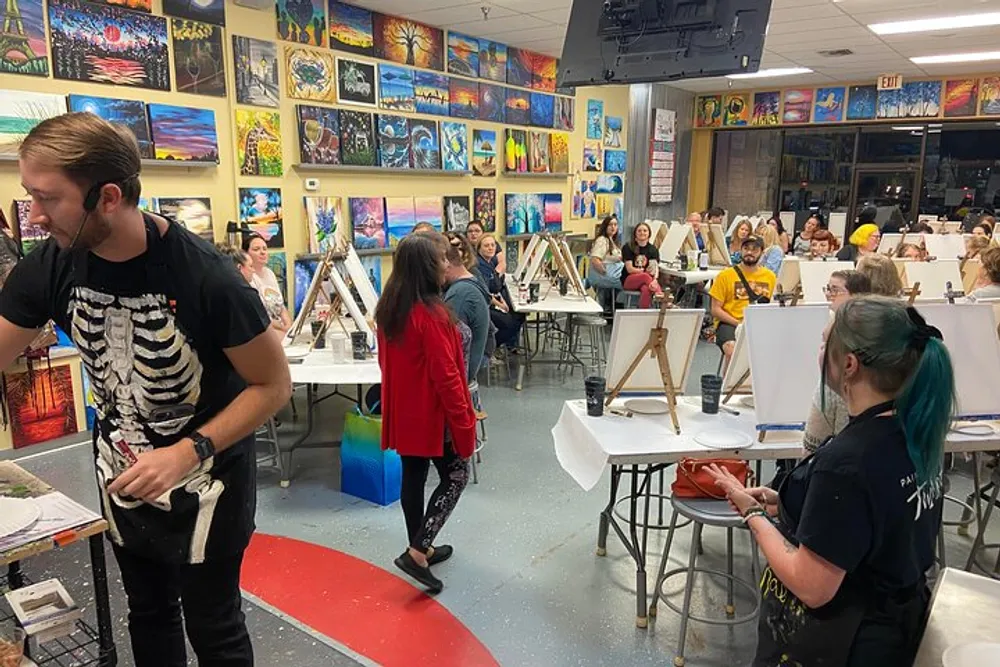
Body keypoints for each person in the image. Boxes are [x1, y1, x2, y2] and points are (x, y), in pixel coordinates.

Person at [0, 112, 291, 666]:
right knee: (148, 613)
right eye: (28, 197)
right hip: (123, 474)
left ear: (107, 197)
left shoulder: (208, 279)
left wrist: (188, 450)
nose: (33, 217)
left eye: (47, 199)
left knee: (215, 627)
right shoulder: (52, 265)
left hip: (208, 480)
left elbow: (273, 385)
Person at [708, 296, 950, 667]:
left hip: (848, 643)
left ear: (849, 365)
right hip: (896, 626)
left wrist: (753, 514)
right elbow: (871, 519)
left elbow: (812, 586)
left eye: (825, 342)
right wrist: (787, 503)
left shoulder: (848, 462)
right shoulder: (912, 429)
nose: (819, 350)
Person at [376, 234, 476, 594]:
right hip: (433, 415)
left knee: (414, 475)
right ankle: (417, 551)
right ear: (425, 267)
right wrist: (464, 421)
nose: (446, 265)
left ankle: (420, 545)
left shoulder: (390, 308)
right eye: (440, 260)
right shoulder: (432, 315)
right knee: (457, 476)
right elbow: (448, 377)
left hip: (406, 411)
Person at [803, 270, 873, 453]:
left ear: (856, 295)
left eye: (835, 290)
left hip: (843, 401)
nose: (828, 294)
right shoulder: (838, 320)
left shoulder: (853, 329)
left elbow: (812, 449)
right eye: (828, 289)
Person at [709, 236, 777, 362]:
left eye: (754, 249)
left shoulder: (770, 277)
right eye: (746, 248)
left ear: (762, 253)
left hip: (759, 323)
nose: (749, 252)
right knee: (732, 350)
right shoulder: (725, 276)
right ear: (741, 250)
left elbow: (773, 306)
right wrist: (739, 324)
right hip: (730, 322)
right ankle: (729, 381)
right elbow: (715, 309)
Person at [443, 232, 491, 379]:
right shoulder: (468, 284)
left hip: (460, 379)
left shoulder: (460, 295)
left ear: (446, 262)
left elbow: (449, 352)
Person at [477, 234, 523, 349]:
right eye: (486, 246)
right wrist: (502, 305)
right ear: (479, 249)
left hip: (493, 301)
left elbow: (496, 288)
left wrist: (503, 303)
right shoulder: (480, 266)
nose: (490, 248)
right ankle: (490, 347)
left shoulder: (490, 262)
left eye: (492, 245)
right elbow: (486, 293)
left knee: (519, 315)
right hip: (484, 306)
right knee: (510, 324)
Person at [244, 233, 292, 333]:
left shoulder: (270, 273)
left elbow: (281, 306)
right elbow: (259, 315)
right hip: (264, 331)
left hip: (281, 329)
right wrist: (283, 329)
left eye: (264, 249)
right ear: (246, 254)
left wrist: (289, 326)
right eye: (256, 249)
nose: (262, 252)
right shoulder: (247, 278)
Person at [621, 221, 664, 308]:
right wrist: (643, 272)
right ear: (635, 234)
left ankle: (643, 314)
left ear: (649, 233)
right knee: (645, 276)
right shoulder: (628, 247)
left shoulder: (653, 249)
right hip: (629, 280)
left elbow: (655, 268)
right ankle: (662, 298)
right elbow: (630, 269)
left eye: (645, 231)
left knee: (646, 289)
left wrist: (655, 280)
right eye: (639, 231)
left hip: (647, 281)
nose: (642, 233)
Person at [589, 216, 624, 312]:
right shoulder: (602, 240)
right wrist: (605, 273)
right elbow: (595, 259)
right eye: (610, 225)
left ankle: (615, 307)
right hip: (607, 276)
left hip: (612, 274)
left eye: (615, 225)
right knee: (629, 282)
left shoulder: (612, 240)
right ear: (605, 226)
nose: (613, 227)